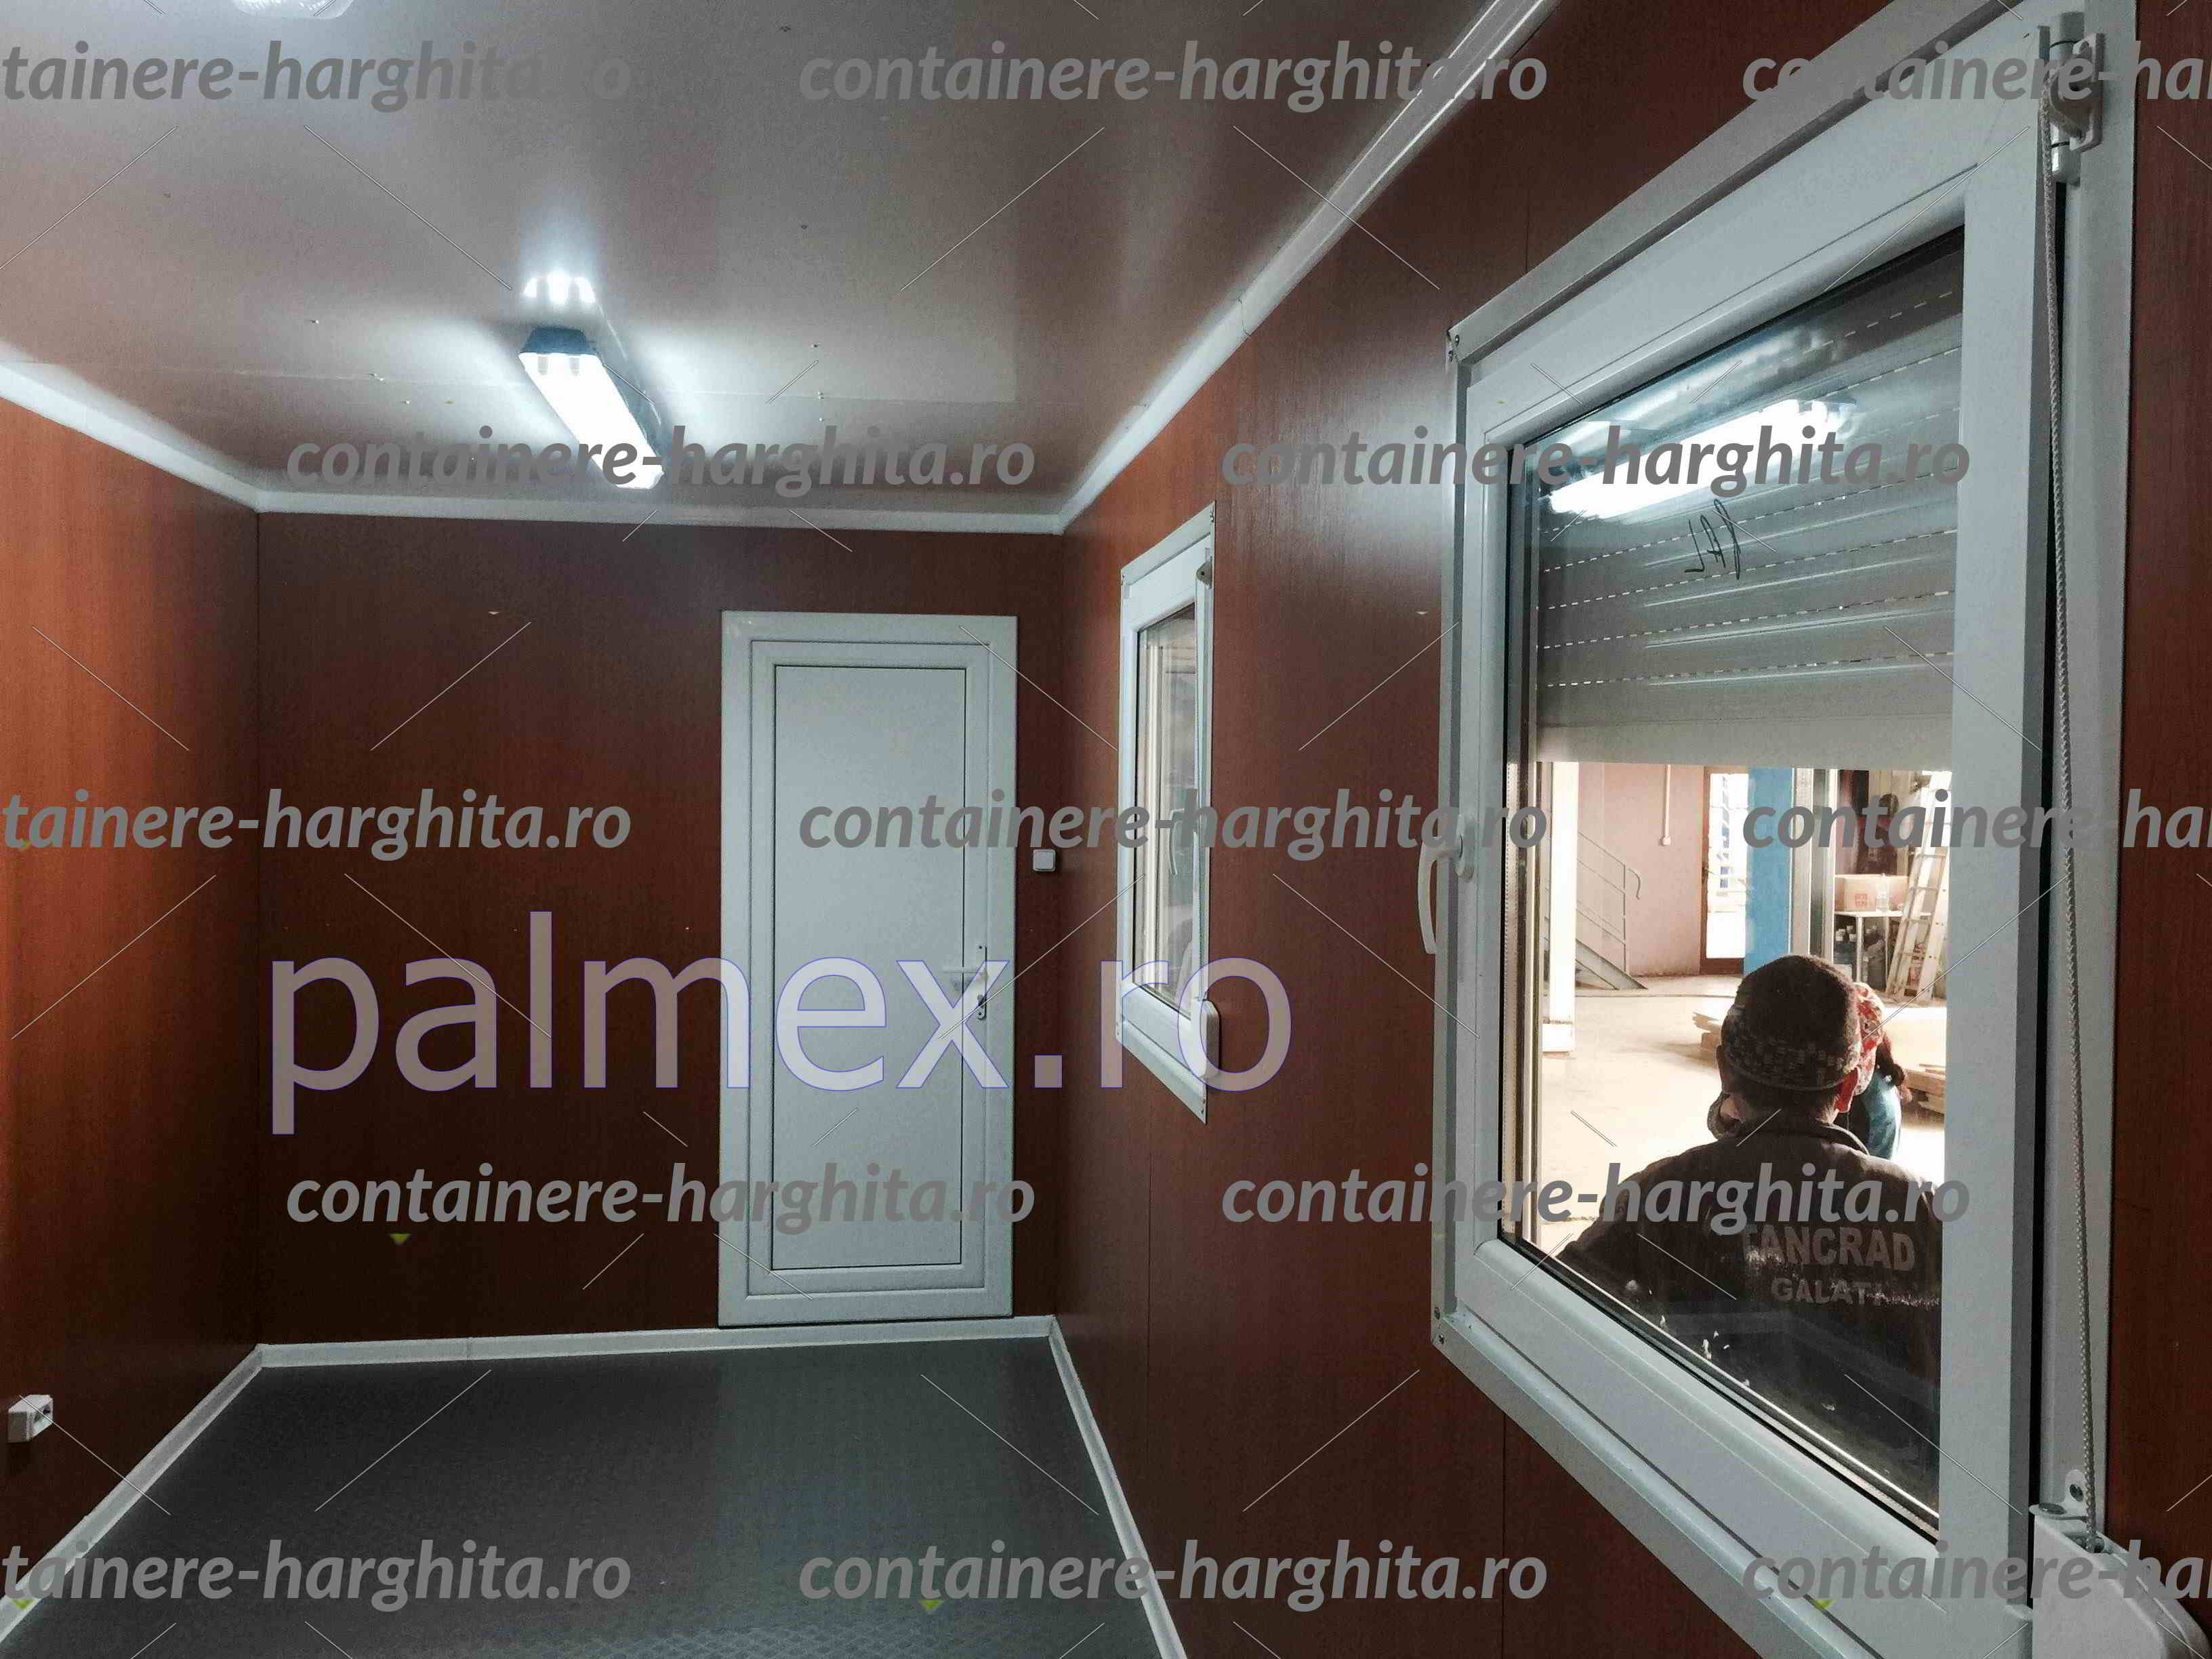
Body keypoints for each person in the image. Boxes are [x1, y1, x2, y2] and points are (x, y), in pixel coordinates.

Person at [1561, 954, 1942, 1493]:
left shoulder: (1661, 1196)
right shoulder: (1923, 1210)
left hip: (1712, 1496)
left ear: (1725, 1071)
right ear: (1848, 1087)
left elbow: (1555, 1322)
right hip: (1894, 1514)